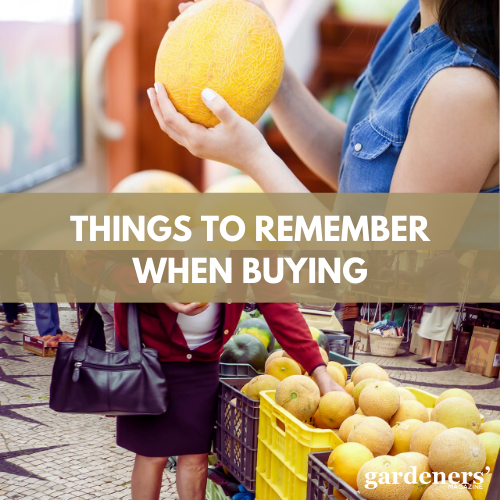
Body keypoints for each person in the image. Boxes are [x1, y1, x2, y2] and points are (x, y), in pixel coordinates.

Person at [148, 0, 499, 194]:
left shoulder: (461, 89)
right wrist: (266, 61)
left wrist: (253, 156)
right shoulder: (419, 15)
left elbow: (380, 275)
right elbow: (357, 173)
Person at [85, 251, 344, 500]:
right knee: (152, 453)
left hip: (203, 357)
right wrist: (153, 288)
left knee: (196, 455)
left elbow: (276, 300)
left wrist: (318, 370)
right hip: (149, 351)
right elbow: (97, 261)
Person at [416, 251, 461, 367]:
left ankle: (426, 354)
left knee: (426, 325)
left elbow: (423, 272)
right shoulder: (455, 261)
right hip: (451, 300)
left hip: (436, 298)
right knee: (441, 328)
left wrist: (430, 257)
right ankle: (434, 358)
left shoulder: (439, 259)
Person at [0, 251, 21, 327]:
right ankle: (14, 317)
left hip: (4, 264)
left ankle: (9, 319)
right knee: (11, 290)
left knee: (5, 291)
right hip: (12, 263)